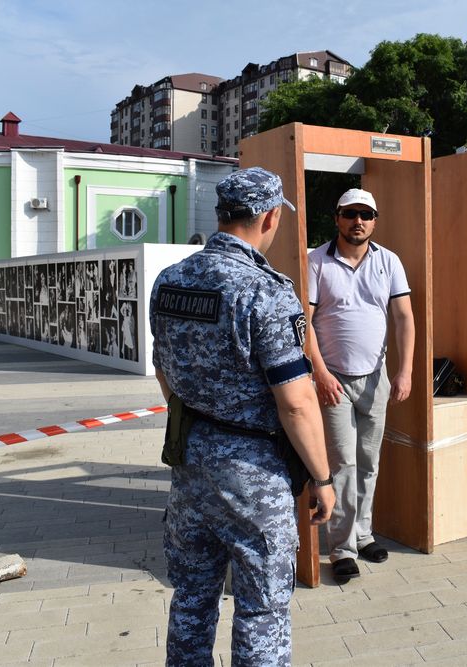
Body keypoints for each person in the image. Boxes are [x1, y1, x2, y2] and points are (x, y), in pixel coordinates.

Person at [149, 167, 336, 666]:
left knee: (191, 597)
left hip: (190, 463)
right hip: (254, 474)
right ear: (270, 217)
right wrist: (321, 477)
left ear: (221, 214)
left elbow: (163, 370)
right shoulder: (266, 291)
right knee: (261, 610)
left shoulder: (171, 280)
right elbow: (296, 402)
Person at [306, 188, 414, 585]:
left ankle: (363, 534)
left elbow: (403, 318)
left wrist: (404, 371)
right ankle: (342, 549)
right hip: (333, 380)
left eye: (366, 215)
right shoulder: (316, 261)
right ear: (337, 217)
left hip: (376, 377)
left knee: (369, 461)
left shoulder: (389, 261)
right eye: (351, 213)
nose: (358, 221)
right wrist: (320, 373)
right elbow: (304, 322)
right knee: (343, 465)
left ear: (374, 221)